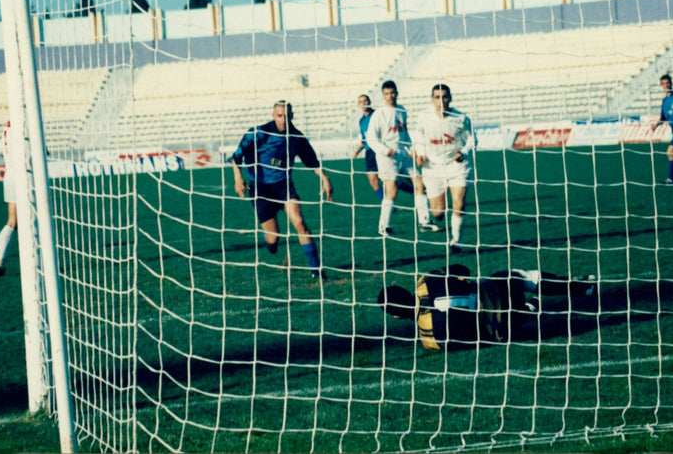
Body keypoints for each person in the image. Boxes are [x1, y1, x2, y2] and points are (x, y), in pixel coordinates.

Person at [378, 264, 596, 351]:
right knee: (520, 277)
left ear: (396, 316)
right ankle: (583, 287)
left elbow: (470, 344)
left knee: (498, 326)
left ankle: (528, 310)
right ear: (405, 291)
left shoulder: (428, 339)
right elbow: (462, 268)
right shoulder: (425, 280)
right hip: (498, 291)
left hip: (502, 330)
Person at [232, 100, 333, 280]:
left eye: (286, 116)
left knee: (300, 222)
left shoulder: (296, 137)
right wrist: (238, 178)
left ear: (292, 116)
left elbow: (312, 162)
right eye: (279, 116)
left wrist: (325, 178)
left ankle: (316, 271)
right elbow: (236, 156)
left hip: (284, 187)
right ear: (273, 115)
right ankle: (270, 243)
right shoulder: (258, 133)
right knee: (273, 239)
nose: (283, 119)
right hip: (261, 189)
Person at [365, 80, 439, 236]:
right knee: (391, 192)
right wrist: (385, 150)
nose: (390, 96)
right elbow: (370, 137)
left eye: (392, 93)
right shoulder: (379, 113)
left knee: (419, 183)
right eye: (386, 94)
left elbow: (403, 133)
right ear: (383, 95)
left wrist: (412, 148)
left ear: (397, 93)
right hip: (387, 157)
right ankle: (384, 226)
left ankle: (424, 222)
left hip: (403, 154)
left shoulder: (401, 110)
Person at [412, 84, 475, 252]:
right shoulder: (424, 117)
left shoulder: (461, 118)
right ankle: (438, 216)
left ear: (451, 98)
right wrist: (420, 153)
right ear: (432, 99)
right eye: (437, 97)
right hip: (432, 168)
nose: (442, 101)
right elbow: (418, 136)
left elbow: (472, 139)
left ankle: (456, 242)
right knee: (438, 213)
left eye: (445, 97)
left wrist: (464, 152)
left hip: (456, 166)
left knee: (458, 203)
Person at [352, 93, 414, 202]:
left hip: (381, 151)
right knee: (373, 181)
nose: (364, 103)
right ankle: (387, 205)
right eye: (361, 102)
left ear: (369, 102)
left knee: (392, 179)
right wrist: (357, 150)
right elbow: (365, 138)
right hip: (369, 152)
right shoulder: (361, 121)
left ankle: (414, 190)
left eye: (365, 101)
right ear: (358, 105)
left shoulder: (377, 114)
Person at [0, 121, 17, 278]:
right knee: (36, 218)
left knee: (12, 221)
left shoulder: (7, 127)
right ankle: (42, 262)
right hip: (24, 177)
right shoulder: (25, 124)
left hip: (9, 176)